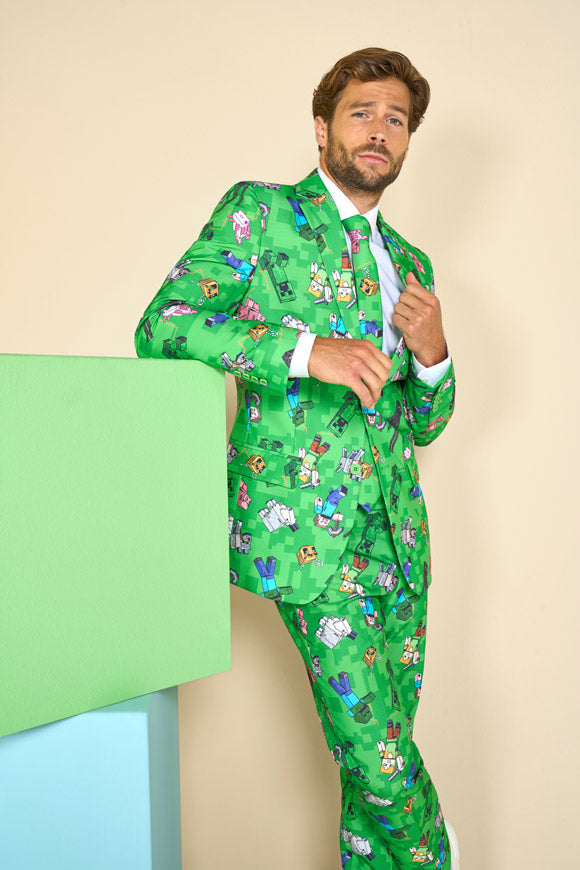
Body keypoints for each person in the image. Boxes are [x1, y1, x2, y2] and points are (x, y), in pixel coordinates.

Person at [135, 47, 459, 870]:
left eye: (397, 120)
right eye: (363, 113)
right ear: (323, 129)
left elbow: (424, 423)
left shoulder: (411, 265)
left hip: (398, 537)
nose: (380, 131)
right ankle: (437, 854)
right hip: (309, 538)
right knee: (382, 759)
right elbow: (163, 325)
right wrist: (304, 349)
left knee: (366, 762)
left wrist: (434, 354)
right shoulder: (262, 214)